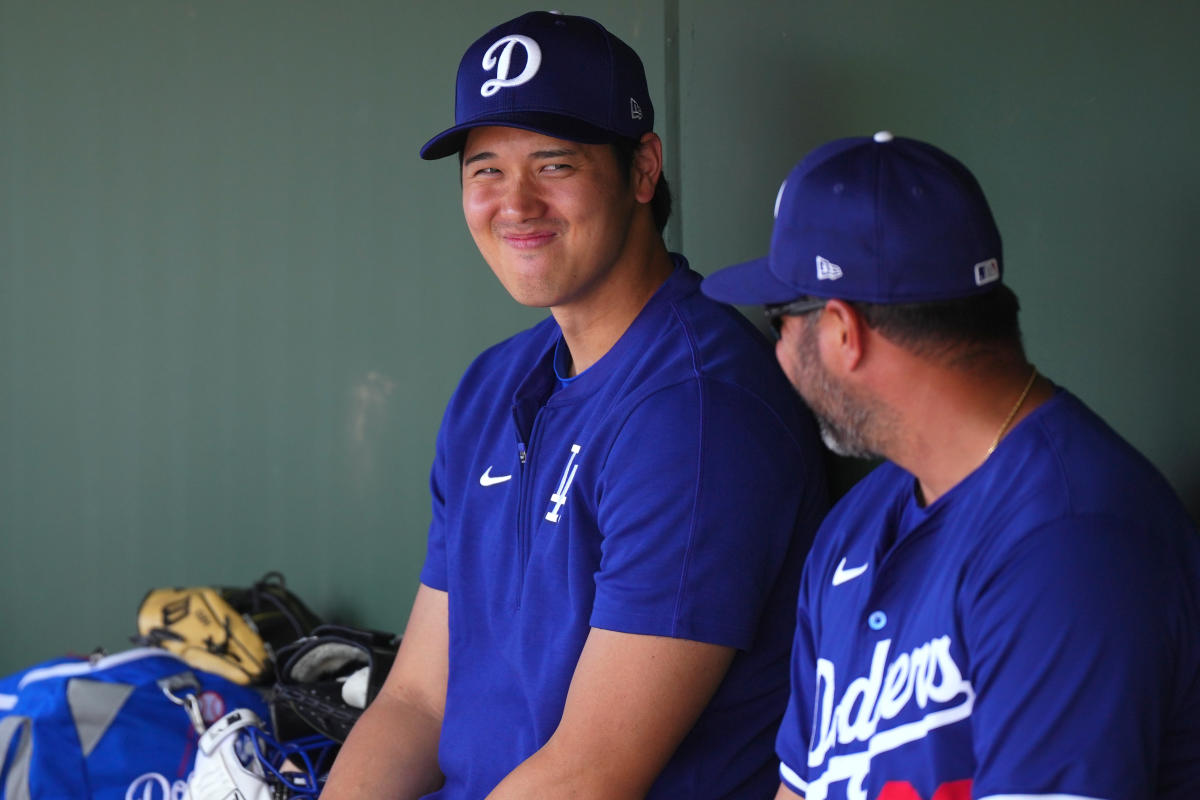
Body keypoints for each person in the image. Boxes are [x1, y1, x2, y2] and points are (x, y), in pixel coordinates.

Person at [321, 11, 829, 799]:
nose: (515, 203)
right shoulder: (494, 386)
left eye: (554, 164)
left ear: (642, 169)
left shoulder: (697, 410)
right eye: (485, 169)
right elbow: (419, 702)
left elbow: (591, 774)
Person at [701, 131, 1200, 800]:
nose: (777, 351)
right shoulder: (857, 525)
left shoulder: (1072, 543)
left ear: (842, 332)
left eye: (779, 319)